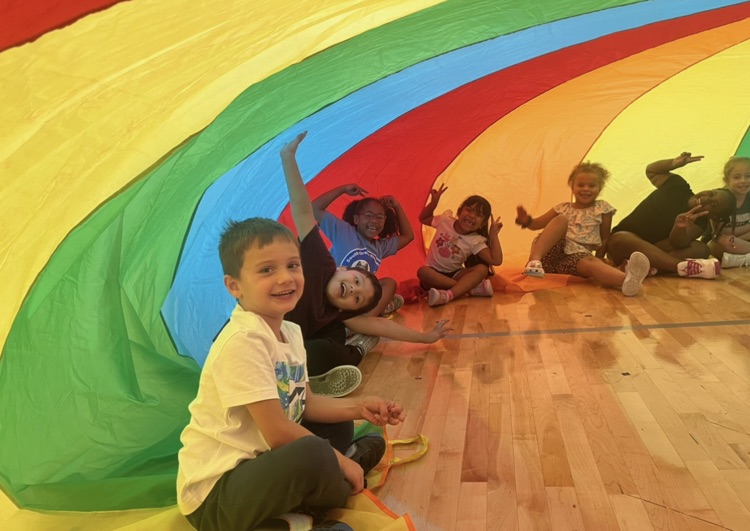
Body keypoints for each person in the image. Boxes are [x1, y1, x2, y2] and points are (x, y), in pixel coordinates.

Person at [176, 217, 405, 531]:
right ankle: (333, 484)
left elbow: (305, 403)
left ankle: (316, 491)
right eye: (267, 270)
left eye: (293, 266)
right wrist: (341, 462)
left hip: (263, 465)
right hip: (218, 497)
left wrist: (360, 406)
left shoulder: (291, 332)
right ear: (234, 286)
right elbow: (279, 433)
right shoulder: (244, 340)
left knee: (336, 426)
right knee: (314, 451)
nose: (285, 278)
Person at [281, 132, 450, 397]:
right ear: (342, 269)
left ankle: (348, 353)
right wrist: (288, 158)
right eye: (356, 282)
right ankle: (305, 371)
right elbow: (304, 210)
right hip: (280, 339)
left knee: (329, 349)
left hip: (306, 345)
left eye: (357, 298)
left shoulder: (343, 309)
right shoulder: (321, 263)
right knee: (286, 345)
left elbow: (382, 327)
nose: (353, 290)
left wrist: (426, 337)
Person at [514, 162, 651, 296]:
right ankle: (533, 261)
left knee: (591, 263)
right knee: (561, 220)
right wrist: (526, 220)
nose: (586, 189)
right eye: (581, 185)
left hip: (574, 259)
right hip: (549, 255)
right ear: (572, 187)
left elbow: (604, 238)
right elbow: (536, 224)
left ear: (599, 188)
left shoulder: (603, 208)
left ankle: (626, 280)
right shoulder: (563, 208)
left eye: (591, 185)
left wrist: (599, 259)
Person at [607, 152, 736, 278]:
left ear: (713, 216)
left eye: (713, 205)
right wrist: (672, 163)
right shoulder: (677, 186)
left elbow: (677, 244)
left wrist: (679, 227)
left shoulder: (699, 222)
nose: (707, 199)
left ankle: (644, 268)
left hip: (655, 250)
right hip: (623, 247)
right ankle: (681, 268)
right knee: (619, 237)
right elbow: (652, 171)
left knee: (702, 249)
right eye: (711, 194)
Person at [312, 184, 414, 317]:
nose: (374, 221)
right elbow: (315, 208)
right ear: (356, 219)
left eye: (379, 217)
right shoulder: (343, 232)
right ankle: (374, 313)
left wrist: (396, 206)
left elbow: (408, 236)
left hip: (357, 299)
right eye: (369, 215)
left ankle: (367, 318)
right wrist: (342, 189)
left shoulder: (380, 247)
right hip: (333, 294)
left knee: (389, 283)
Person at [417, 185, 503, 306]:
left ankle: (448, 295)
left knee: (482, 269)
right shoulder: (445, 221)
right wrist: (433, 203)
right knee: (422, 271)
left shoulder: (475, 240)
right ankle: (468, 289)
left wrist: (493, 235)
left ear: (482, 224)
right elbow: (423, 218)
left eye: (478, 215)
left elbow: (496, 260)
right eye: (469, 210)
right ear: (459, 211)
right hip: (433, 273)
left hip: (455, 274)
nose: (472, 216)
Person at [707, 156, 750, 268]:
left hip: (738, 242)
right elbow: (720, 232)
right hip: (717, 242)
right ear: (726, 180)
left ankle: (741, 259)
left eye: (748, 176)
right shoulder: (720, 199)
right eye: (737, 177)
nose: (743, 181)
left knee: (731, 241)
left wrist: (739, 239)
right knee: (724, 242)